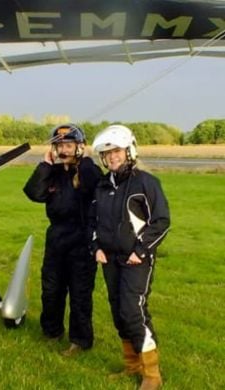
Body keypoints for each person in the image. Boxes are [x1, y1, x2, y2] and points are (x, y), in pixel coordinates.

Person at [90, 124, 170, 390]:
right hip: (109, 259)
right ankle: (131, 365)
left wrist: (141, 250)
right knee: (118, 312)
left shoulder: (146, 182)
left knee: (132, 311)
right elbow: (92, 221)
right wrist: (96, 247)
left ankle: (152, 374)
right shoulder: (101, 186)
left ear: (129, 151)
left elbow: (161, 221)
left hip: (137, 259)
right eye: (107, 153)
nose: (112, 157)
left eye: (117, 151)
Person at [23, 123, 102, 357]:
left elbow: (92, 184)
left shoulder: (89, 171)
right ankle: (51, 332)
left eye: (68, 145)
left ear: (79, 147)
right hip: (56, 237)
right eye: (59, 146)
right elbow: (33, 193)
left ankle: (80, 341)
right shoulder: (54, 173)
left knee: (80, 293)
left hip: (82, 239)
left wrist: (84, 160)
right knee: (51, 289)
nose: (64, 150)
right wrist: (46, 164)